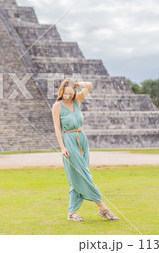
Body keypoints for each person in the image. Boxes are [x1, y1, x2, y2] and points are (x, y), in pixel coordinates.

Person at [51, 78, 120, 222]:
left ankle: (72, 213)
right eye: (65, 93)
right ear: (61, 90)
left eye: (70, 93)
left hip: (82, 139)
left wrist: (75, 84)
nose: (68, 96)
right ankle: (103, 208)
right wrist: (62, 147)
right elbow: (57, 129)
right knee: (84, 175)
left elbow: (89, 85)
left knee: (78, 176)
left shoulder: (77, 100)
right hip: (68, 141)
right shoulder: (57, 106)